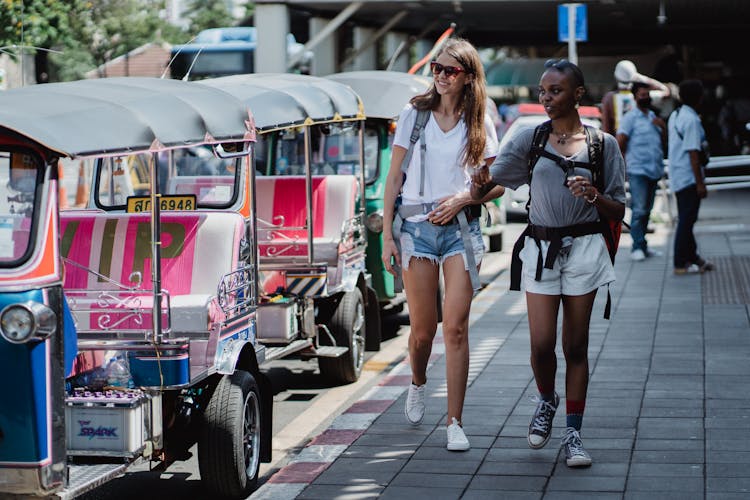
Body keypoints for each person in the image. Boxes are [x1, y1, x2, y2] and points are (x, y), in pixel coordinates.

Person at [471, 59, 626, 467]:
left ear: (577, 94)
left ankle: (573, 433)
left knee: (575, 346)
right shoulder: (529, 138)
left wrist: (593, 194)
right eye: (542, 90)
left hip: (587, 249)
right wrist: (475, 183)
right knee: (541, 346)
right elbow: (495, 180)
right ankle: (546, 400)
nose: (546, 98)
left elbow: (618, 208)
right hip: (541, 251)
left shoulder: (602, 145)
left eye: (555, 91)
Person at [381, 38, 503, 451]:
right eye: (437, 68)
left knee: (455, 328)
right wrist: (386, 237)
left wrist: (466, 198)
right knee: (422, 331)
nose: (441, 76)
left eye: (450, 70)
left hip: (462, 230)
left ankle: (454, 421)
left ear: (468, 76)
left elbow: (496, 184)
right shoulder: (414, 114)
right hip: (416, 229)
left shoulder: (479, 120)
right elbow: (393, 178)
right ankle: (417, 381)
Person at [616, 81, 667, 261]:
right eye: (642, 95)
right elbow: (619, 141)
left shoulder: (653, 115)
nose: (645, 98)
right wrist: (621, 168)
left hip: (654, 169)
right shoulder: (631, 118)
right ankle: (636, 246)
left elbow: (663, 141)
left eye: (647, 95)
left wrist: (662, 127)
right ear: (636, 96)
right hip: (638, 170)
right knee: (639, 210)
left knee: (648, 210)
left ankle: (643, 245)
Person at [668, 79, 714, 274]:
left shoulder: (675, 115)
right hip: (688, 177)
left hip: (677, 175)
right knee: (687, 221)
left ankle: (693, 257)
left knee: (686, 218)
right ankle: (680, 262)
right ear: (699, 97)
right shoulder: (692, 120)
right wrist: (700, 183)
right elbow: (693, 154)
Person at [601, 60, 671, 135]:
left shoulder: (609, 98)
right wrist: (641, 78)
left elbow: (606, 128)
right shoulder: (642, 96)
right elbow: (666, 91)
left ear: (616, 77)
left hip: (619, 142)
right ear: (635, 77)